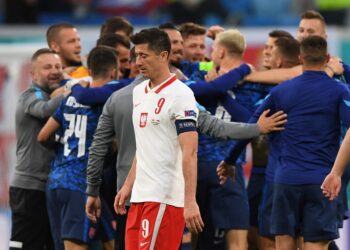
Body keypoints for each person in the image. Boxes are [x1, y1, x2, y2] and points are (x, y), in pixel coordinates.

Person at [244, 36, 350, 250]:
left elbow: (250, 126)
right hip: (322, 180)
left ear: (301, 58)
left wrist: (228, 159)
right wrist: (336, 173)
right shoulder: (339, 91)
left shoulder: (281, 91)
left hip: (285, 181)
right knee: (316, 246)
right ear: (327, 57)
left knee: (283, 245)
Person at [37, 46, 118, 250]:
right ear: (114, 73)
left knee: (112, 240)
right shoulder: (107, 102)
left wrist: (68, 146)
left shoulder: (71, 97)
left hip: (57, 181)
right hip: (80, 185)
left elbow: (43, 136)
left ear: (89, 71)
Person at [9, 48, 65, 250]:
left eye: (58, 66)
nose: (55, 71)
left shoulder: (55, 97)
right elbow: (44, 110)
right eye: (47, 67)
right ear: (33, 74)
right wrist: (71, 91)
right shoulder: (29, 96)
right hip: (29, 188)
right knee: (25, 246)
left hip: (49, 187)